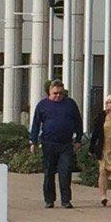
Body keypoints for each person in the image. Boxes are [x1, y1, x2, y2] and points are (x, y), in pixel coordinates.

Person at [29, 79, 83, 209]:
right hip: (48, 144)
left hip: (66, 144)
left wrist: (78, 140)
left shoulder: (70, 104)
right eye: (55, 93)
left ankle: (66, 200)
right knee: (49, 173)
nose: (58, 95)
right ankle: (49, 200)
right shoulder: (42, 105)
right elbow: (36, 124)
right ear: (49, 92)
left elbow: (78, 122)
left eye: (60, 93)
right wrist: (33, 142)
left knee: (65, 172)